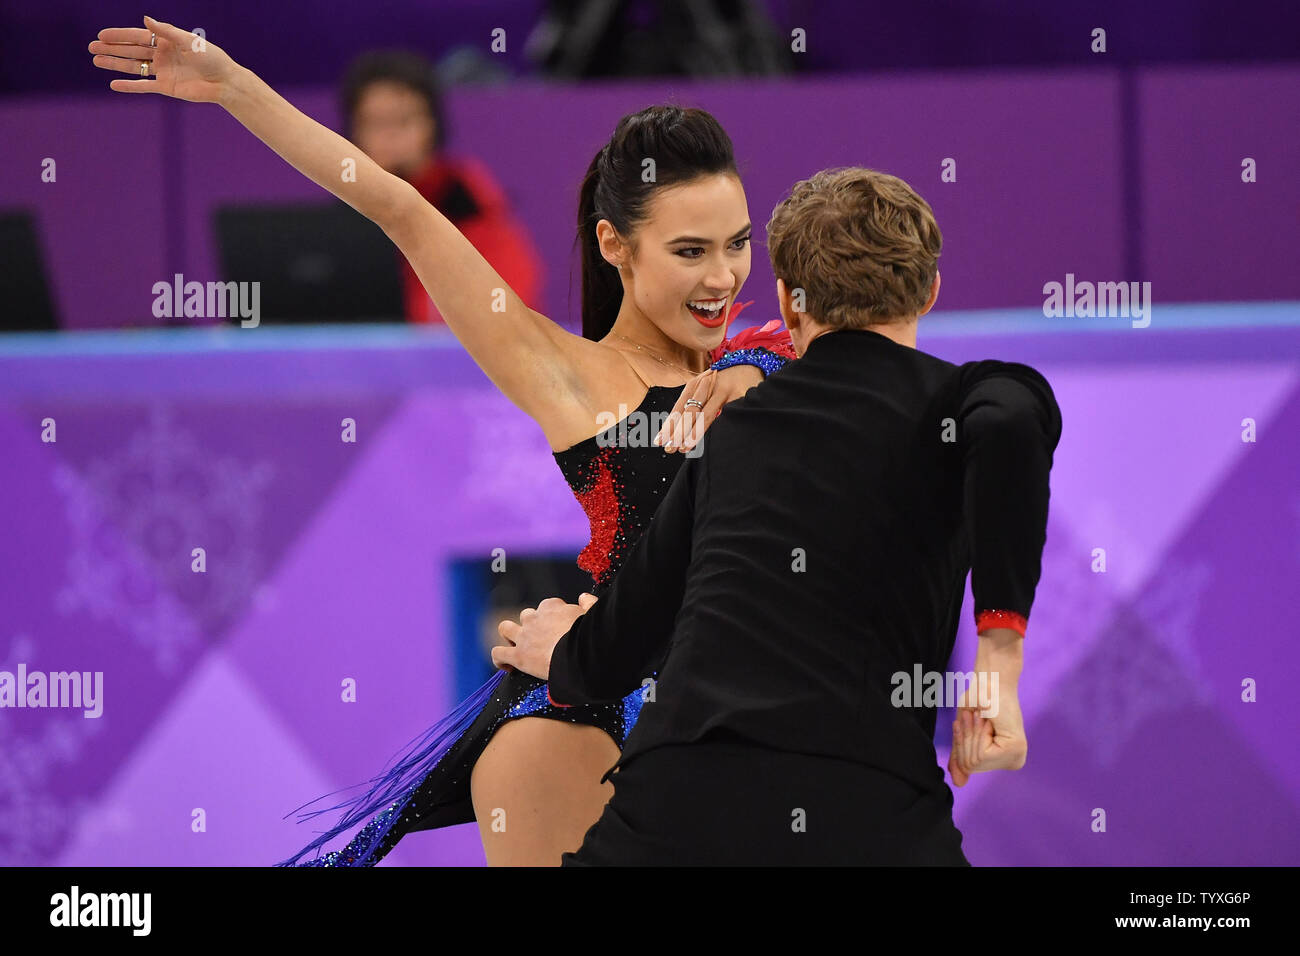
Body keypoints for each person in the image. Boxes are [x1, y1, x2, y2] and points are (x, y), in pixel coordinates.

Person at [88, 17, 795, 866]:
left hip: (746, 719)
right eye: (690, 251)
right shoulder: (564, 374)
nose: (722, 278)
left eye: (737, 245)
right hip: (590, 721)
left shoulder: (781, 359)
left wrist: (758, 358)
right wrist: (235, 86)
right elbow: (403, 212)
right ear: (616, 247)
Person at [496, 166, 1063, 865]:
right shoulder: (966, 399)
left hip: (675, 810)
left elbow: (621, 644)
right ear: (931, 291)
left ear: (790, 308)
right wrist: (998, 668)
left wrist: (564, 651)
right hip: (864, 810)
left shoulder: (733, 431)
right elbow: (1009, 427)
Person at [340, 50, 545, 324]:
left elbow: (512, 304)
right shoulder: (341, 220)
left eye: (403, 120)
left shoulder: (469, 201)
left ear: (432, 126)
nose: (390, 135)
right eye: (376, 123)